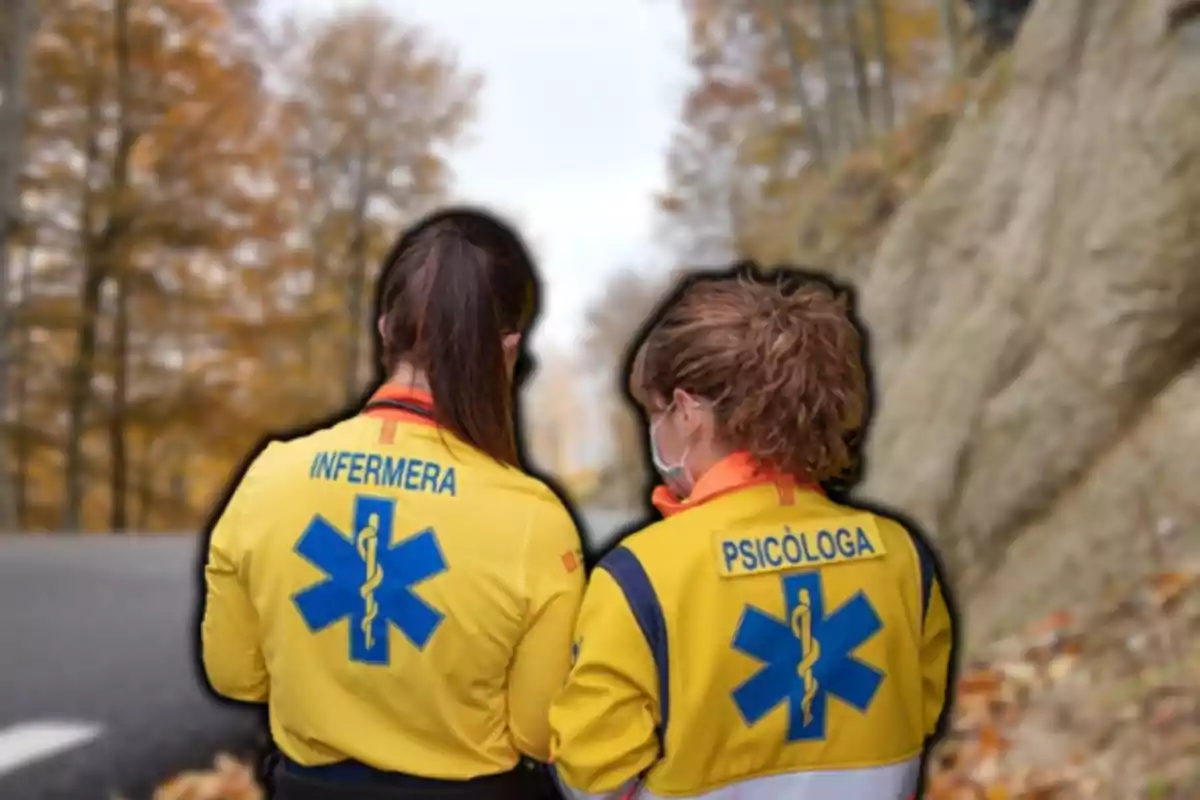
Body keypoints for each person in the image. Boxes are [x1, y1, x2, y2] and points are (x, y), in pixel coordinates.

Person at [199, 207, 586, 800]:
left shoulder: (270, 474)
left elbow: (234, 675)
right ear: (507, 349)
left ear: (385, 329)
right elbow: (538, 733)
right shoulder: (533, 516)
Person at [549, 263, 955, 800]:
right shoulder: (901, 558)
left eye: (656, 410)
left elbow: (592, 775)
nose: (655, 427)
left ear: (689, 411)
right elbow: (922, 713)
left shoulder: (641, 578)